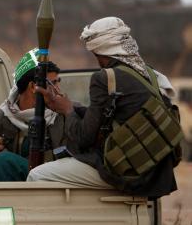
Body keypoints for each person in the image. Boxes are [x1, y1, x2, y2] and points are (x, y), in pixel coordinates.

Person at [28, 17, 178, 198]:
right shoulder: (149, 75)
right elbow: (104, 117)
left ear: (101, 51)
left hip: (130, 174)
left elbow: (83, 138)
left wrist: (67, 110)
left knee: (37, 175)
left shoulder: (105, 78)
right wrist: (70, 107)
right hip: (157, 174)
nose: (97, 60)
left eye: (96, 55)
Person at [0, 48, 65, 182]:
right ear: (33, 87)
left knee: (4, 160)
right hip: (15, 173)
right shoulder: (2, 117)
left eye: (58, 82)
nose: (58, 90)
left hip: (48, 173)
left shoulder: (61, 113)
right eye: (52, 84)